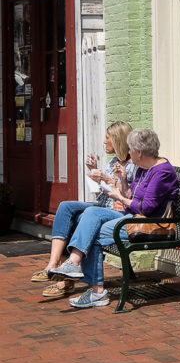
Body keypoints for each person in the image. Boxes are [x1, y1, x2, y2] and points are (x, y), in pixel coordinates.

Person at [50, 128, 179, 310]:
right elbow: (132, 197)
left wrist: (119, 197)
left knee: (93, 232)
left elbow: (147, 208)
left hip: (148, 223)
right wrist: (124, 181)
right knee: (91, 213)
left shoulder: (162, 172)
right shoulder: (144, 168)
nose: (129, 153)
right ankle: (74, 264)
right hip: (132, 216)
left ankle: (96, 290)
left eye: (131, 150)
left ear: (139, 153)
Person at [32, 120, 136, 300]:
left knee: (82, 218)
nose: (104, 142)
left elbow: (130, 197)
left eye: (107, 137)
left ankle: (65, 278)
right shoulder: (112, 162)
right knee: (66, 207)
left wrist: (105, 179)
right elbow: (101, 195)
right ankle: (53, 263)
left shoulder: (134, 165)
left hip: (118, 212)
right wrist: (95, 174)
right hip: (104, 206)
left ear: (118, 140)